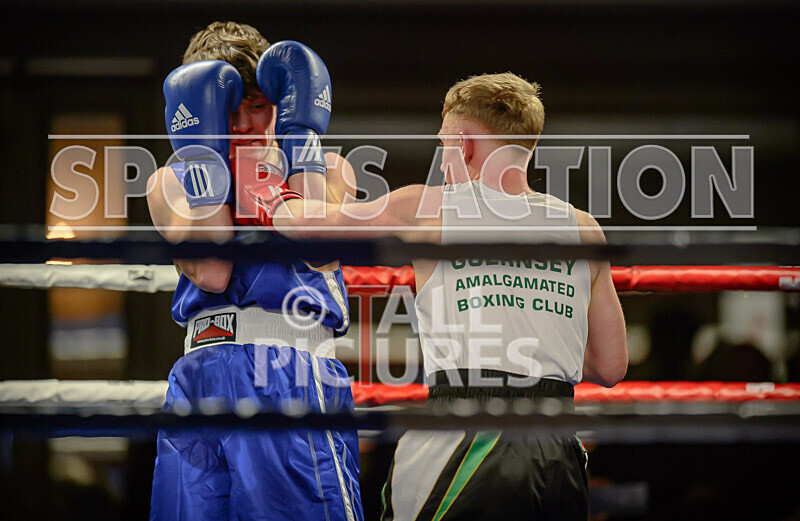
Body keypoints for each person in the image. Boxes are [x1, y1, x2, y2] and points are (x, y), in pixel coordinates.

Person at [273, 72, 628, 519]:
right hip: (558, 450)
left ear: (465, 144)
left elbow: (303, 230)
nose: (441, 162)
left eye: (444, 144)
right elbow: (611, 366)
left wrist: (276, 175)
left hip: (465, 437)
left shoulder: (429, 208)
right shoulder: (583, 228)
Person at [146, 22, 362, 521]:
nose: (244, 122)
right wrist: (204, 154)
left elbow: (317, 250)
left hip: (290, 373)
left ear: (282, 101)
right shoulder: (169, 181)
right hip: (199, 377)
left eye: (258, 105)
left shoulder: (329, 168)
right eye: (229, 108)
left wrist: (297, 148)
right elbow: (214, 269)